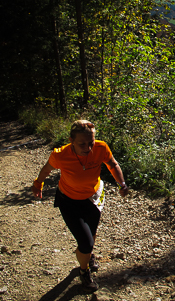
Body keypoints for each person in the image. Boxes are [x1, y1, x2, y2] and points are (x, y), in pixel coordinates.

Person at [31, 120, 129, 292]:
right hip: (68, 200)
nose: (88, 148)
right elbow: (46, 170)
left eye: (90, 143)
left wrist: (122, 183)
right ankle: (84, 271)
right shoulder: (60, 155)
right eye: (82, 144)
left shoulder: (101, 148)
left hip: (93, 196)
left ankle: (87, 257)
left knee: (91, 234)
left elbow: (112, 164)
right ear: (71, 140)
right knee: (85, 242)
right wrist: (38, 184)